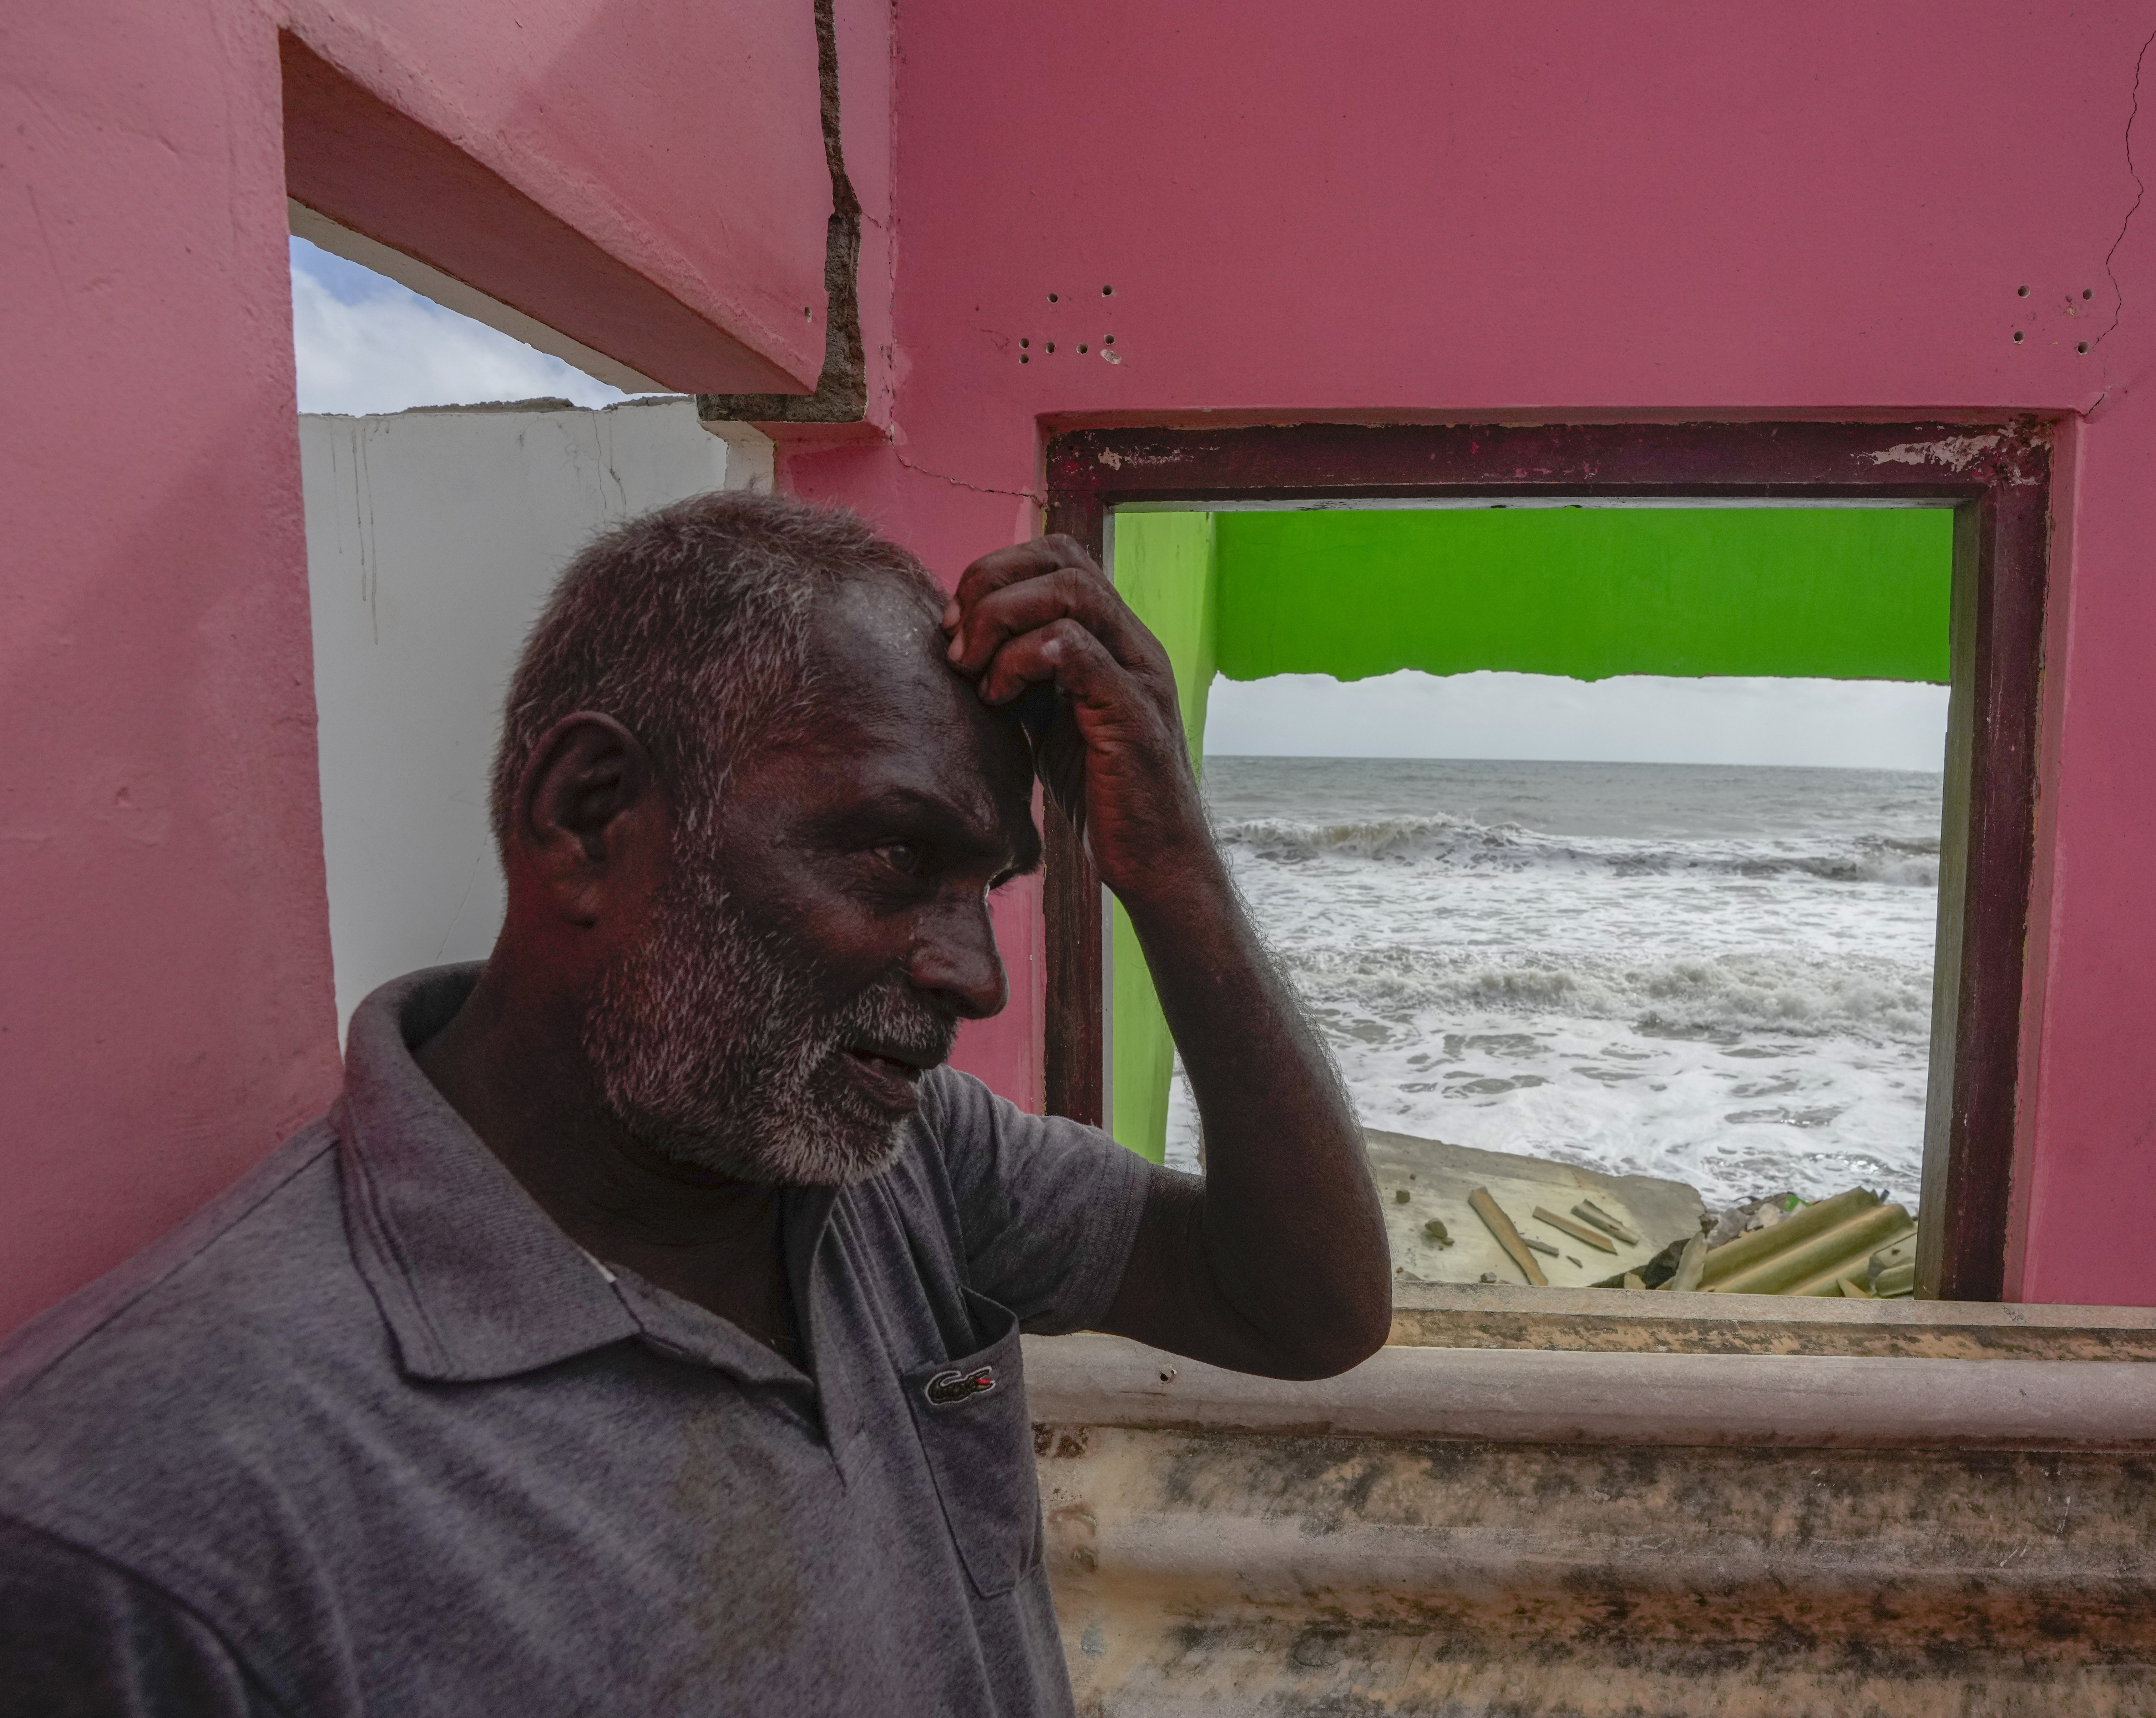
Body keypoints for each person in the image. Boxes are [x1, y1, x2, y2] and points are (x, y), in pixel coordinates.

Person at [0, 493, 1389, 1715]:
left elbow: (1303, 1306)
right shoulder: (140, 1520)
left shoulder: (900, 1166)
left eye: (989, 889)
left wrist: (1175, 867)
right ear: (591, 816)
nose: (975, 980)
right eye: (895, 854)